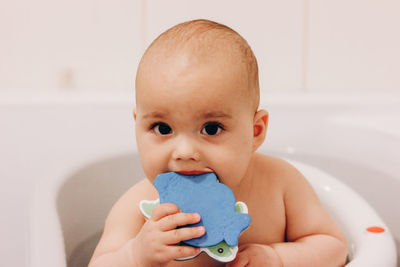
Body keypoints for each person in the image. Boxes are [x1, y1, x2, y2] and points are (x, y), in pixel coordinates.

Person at [89, 19, 347, 267]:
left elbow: (333, 248)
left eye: (211, 129)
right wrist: (135, 257)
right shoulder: (137, 207)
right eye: (162, 128)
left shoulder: (281, 185)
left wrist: (277, 258)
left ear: (255, 131)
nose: (185, 152)